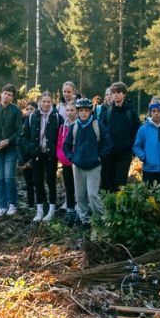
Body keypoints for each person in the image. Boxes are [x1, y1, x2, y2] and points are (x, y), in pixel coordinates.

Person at [63, 97, 113, 228]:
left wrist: (99, 156)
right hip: (78, 166)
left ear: (91, 111)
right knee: (80, 195)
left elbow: (108, 143)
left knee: (92, 194)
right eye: (81, 111)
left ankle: (101, 219)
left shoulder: (97, 125)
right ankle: (84, 219)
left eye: (86, 110)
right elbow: (66, 146)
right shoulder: (74, 127)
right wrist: (72, 158)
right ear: (77, 112)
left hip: (94, 166)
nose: (83, 113)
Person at [22, 92, 61, 222]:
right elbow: (25, 135)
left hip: (50, 155)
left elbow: (61, 136)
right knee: (37, 182)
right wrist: (30, 149)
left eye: (48, 101)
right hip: (37, 155)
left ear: (51, 102)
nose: (46, 104)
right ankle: (39, 210)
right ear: (39, 102)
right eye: (43, 101)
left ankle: (51, 210)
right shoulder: (33, 116)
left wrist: (57, 151)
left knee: (51, 182)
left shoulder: (57, 117)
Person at [0, 84, 22, 217]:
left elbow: (19, 130)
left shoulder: (16, 111)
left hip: (11, 149)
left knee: (9, 177)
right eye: (5, 93)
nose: (7, 96)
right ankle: (2, 206)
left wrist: (8, 141)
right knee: (0, 178)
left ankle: (12, 204)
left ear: (12, 97)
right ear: (1, 94)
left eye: (10, 94)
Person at [99, 82, 139, 192]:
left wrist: (132, 149)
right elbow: (102, 131)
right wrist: (104, 149)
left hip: (125, 152)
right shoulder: (108, 112)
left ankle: (119, 206)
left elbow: (137, 131)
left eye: (118, 92)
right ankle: (110, 207)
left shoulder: (131, 112)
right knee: (109, 182)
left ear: (124, 94)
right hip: (109, 153)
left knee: (121, 183)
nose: (115, 95)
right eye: (113, 93)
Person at [132, 101, 160, 189]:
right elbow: (136, 146)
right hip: (148, 169)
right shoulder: (143, 129)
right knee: (149, 196)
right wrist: (144, 157)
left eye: (158, 111)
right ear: (150, 112)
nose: (156, 113)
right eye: (154, 111)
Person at [56, 101, 78, 224]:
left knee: (79, 188)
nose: (69, 113)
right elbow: (60, 144)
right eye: (67, 110)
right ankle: (70, 210)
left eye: (72, 110)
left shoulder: (79, 125)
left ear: (77, 111)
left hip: (77, 162)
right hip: (66, 162)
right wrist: (61, 156)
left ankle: (80, 210)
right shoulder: (63, 126)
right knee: (69, 187)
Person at [17, 100, 39, 211]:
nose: (29, 112)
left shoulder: (39, 123)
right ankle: (30, 205)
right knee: (29, 183)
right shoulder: (22, 123)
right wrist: (22, 160)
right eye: (28, 109)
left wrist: (31, 161)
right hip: (24, 158)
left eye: (32, 109)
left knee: (37, 182)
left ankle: (41, 204)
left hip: (35, 159)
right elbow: (18, 141)